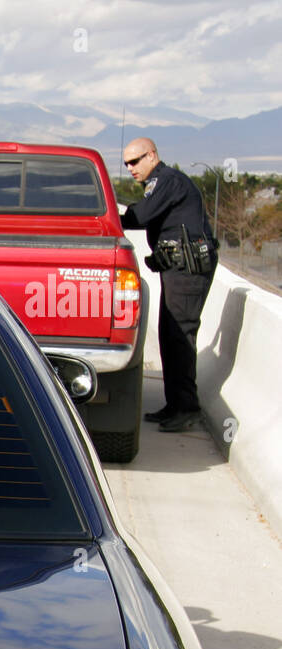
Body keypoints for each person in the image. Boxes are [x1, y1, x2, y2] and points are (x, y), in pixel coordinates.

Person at [119, 137, 218, 433]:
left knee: (180, 335)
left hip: (187, 269)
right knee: (169, 335)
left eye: (135, 161)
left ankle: (187, 407)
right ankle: (174, 404)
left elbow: (141, 216)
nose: (130, 168)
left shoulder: (168, 181)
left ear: (151, 155)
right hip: (177, 269)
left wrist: (108, 215)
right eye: (126, 164)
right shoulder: (160, 183)